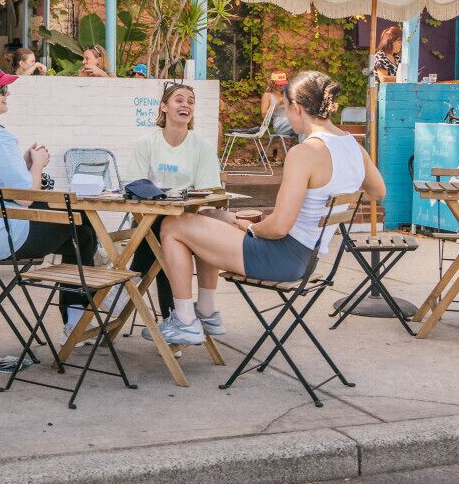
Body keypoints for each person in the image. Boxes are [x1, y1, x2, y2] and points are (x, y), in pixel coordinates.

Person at [150, 71, 386, 344]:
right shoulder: (354, 148)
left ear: (297, 108)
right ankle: (206, 313)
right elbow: (377, 192)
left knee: (173, 225)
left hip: (281, 258)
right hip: (307, 258)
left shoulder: (305, 152)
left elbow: (278, 228)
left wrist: (247, 226)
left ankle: (184, 322)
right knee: (211, 216)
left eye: (285, 108)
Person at [0, 61, 97, 341]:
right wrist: (38, 164)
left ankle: (85, 306)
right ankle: (82, 313)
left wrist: (25, 165)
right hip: (7, 237)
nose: (7, 94)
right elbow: (25, 198)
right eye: (1, 89)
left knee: (75, 234)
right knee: (81, 227)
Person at [124, 82, 222, 320]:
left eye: (190, 101)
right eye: (179, 100)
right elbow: (133, 185)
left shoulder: (202, 147)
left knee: (163, 233)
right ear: (164, 107)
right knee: (161, 233)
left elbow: (209, 193)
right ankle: (175, 319)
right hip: (148, 219)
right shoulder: (145, 143)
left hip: (186, 222)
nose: (185, 105)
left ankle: (128, 290)